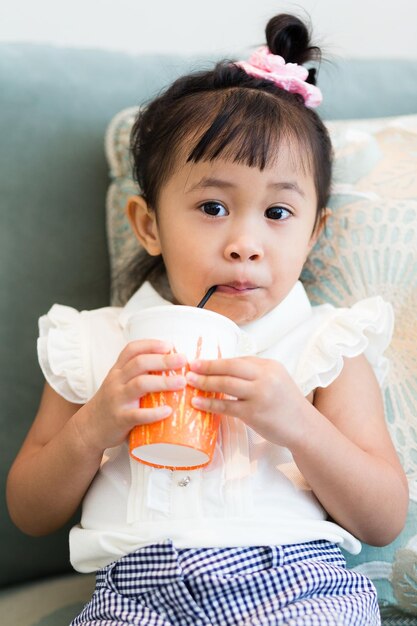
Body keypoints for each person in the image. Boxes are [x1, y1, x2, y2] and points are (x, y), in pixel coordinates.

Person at [6, 13, 408, 626]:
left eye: (278, 212)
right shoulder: (94, 342)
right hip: (135, 596)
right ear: (148, 226)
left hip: (295, 583)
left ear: (313, 234)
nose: (246, 243)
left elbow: (383, 516)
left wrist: (298, 423)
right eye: (213, 206)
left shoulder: (326, 343)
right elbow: (29, 510)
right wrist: (94, 428)